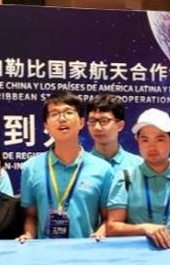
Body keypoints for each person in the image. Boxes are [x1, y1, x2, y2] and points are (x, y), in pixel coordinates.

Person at [20, 90, 114, 240]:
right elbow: (31, 215)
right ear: (46, 125)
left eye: (68, 112)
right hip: (44, 252)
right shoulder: (30, 168)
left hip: (87, 250)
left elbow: (107, 217)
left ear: (81, 122)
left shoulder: (103, 169)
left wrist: (101, 233)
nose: (62, 119)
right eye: (54, 114)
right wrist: (28, 235)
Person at [106, 108, 170, 248]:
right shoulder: (125, 178)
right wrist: (145, 228)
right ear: (137, 141)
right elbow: (112, 227)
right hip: (136, 256)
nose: (152, 147)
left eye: (160, 139)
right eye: (145, 140)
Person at [86, 94, 144, 170]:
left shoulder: (138, 165)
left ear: (120, 125)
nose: (97, 127)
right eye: (92, 121)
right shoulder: (81, 165)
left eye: (104, 121)